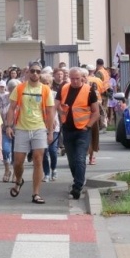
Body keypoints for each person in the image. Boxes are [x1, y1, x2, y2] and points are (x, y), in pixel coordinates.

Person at [4, 62, 55, 204]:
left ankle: (36, 193)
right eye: (32, 71)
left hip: (39, 128)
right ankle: (19, 180)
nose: (35, 74)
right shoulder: (20, 88)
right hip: (21, 128)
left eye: (38, 71)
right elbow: (11, 108)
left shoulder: (45, 90)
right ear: (27, 73)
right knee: (18, 162)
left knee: (38, 160)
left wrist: (50, 132)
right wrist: (9, 126)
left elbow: (50, 112)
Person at [57, 67, 100, 200]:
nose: (75, 81)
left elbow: (96, 112)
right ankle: (78, 179)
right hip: (68, 130)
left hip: (82, 130)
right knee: (71, 161)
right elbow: (56, 104)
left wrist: (88, 126)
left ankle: (77, 187)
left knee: (80, 158)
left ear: (82, 78)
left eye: (77, 78)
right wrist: (61, 111)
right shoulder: (63, 88)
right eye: (72, 78)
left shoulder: (89, 91)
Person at [40, 70, 61, 182]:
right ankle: (46, 173)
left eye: (47, 83)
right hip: (41, 127)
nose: (45, 85)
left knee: (53, 151)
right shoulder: (38, 95)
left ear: (51, 84)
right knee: (43, 152)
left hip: (54, 127)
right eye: (43, 82)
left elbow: (59, 109)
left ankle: (54, 169)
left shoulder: (54, 95)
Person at [0, 79, 15, 182]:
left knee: (17, 152)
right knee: (6, 150)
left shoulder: (23, 99)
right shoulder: (2, 98)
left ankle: (16, 172)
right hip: (4, 129)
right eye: (12, 90)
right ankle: (7, 170)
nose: (14, 92)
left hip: (19, 129)